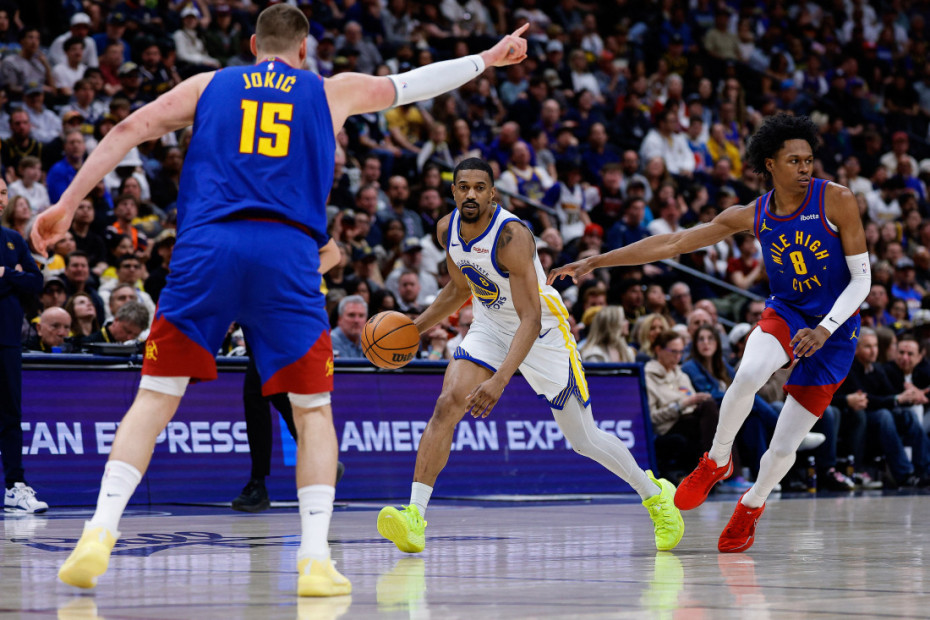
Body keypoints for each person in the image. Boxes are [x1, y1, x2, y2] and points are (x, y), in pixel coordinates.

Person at [32, 5, 531, 596]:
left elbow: (127, 131)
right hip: (287, 252)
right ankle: (315, 559)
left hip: (206, 247)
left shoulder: (209, 84)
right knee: (312, 411)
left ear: (252, 45)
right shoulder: (329, 90)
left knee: (156, 396)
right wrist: (486, 58)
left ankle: (99, 528)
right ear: (303, 50)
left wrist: (65, 205)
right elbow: (413, 83)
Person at [550, 114, 870, 553]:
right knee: (747, 375)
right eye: (793, 160)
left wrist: (825, 328)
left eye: (808, 160)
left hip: (836, 327)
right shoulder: (754, 213)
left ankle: (751, 504)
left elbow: (862, 280)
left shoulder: (836, 199)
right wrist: (598, 260)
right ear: (770, 164)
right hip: (788, 311)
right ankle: (718, 460)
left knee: (782, 449)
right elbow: (673, 243)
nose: (804, 168)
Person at [376, 158, 684, 557]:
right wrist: (414, 328)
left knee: (583, 439)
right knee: (447, 404)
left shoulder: (511, 236)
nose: (471, 194)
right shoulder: (446, 229)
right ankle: (415, 517)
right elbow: (460, 288)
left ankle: (655, 495)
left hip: (542, 331)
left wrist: (499, 380)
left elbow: (530, 317)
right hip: (490, 324)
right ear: (453, 191)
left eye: (479, 187)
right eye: (463, 186)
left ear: (492, 193)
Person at [0, 177, 47, 513]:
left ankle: (15, 486)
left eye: (3, 192)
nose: (0, 197)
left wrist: (7, 274)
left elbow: (36, 282)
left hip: (7, 340)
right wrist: (14, 279)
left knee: (11, 415)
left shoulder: (14, 239)